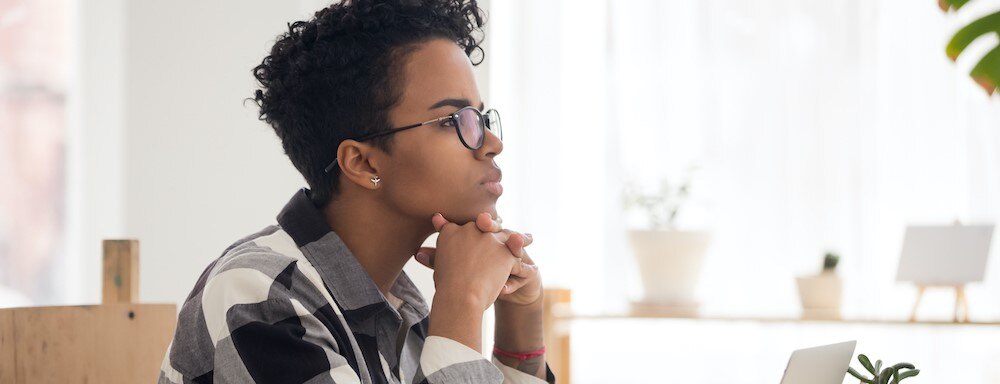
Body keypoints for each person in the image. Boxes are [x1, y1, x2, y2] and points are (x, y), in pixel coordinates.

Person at [158, 1, 554, 383]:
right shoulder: (261, 296)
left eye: (481, 117)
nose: (491, 143)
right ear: (363, 163)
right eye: (454, 120)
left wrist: (521, 324)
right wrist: (463, 301)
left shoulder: (402, 310)